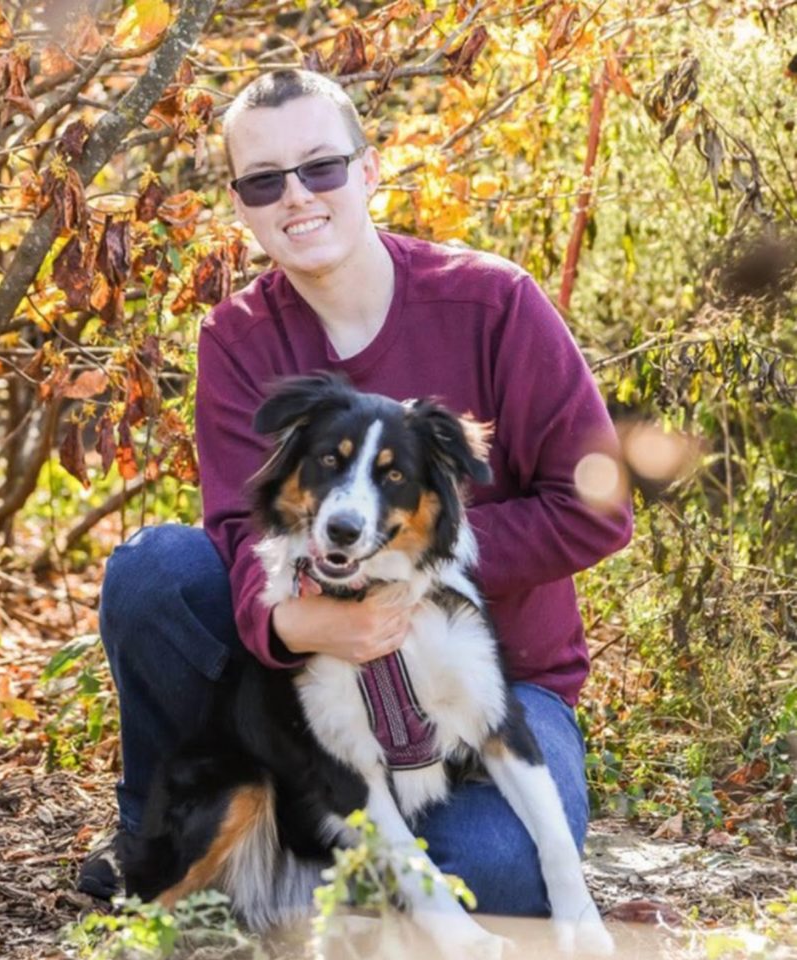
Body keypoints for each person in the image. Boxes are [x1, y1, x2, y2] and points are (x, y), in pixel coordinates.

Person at [77, 69, 633, 914]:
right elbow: (234, 525)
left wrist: (414, 569)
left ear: (368, 172)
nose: (296, 197)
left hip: (491, 685)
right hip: (320, 677)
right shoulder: (237, 339)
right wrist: (289, 621)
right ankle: (157, 842)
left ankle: (331, 873)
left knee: (498, 877)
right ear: (240, 203)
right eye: (264, 180)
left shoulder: (493, 301)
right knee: (154, 571)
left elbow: (596, 509)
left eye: (321, 167)